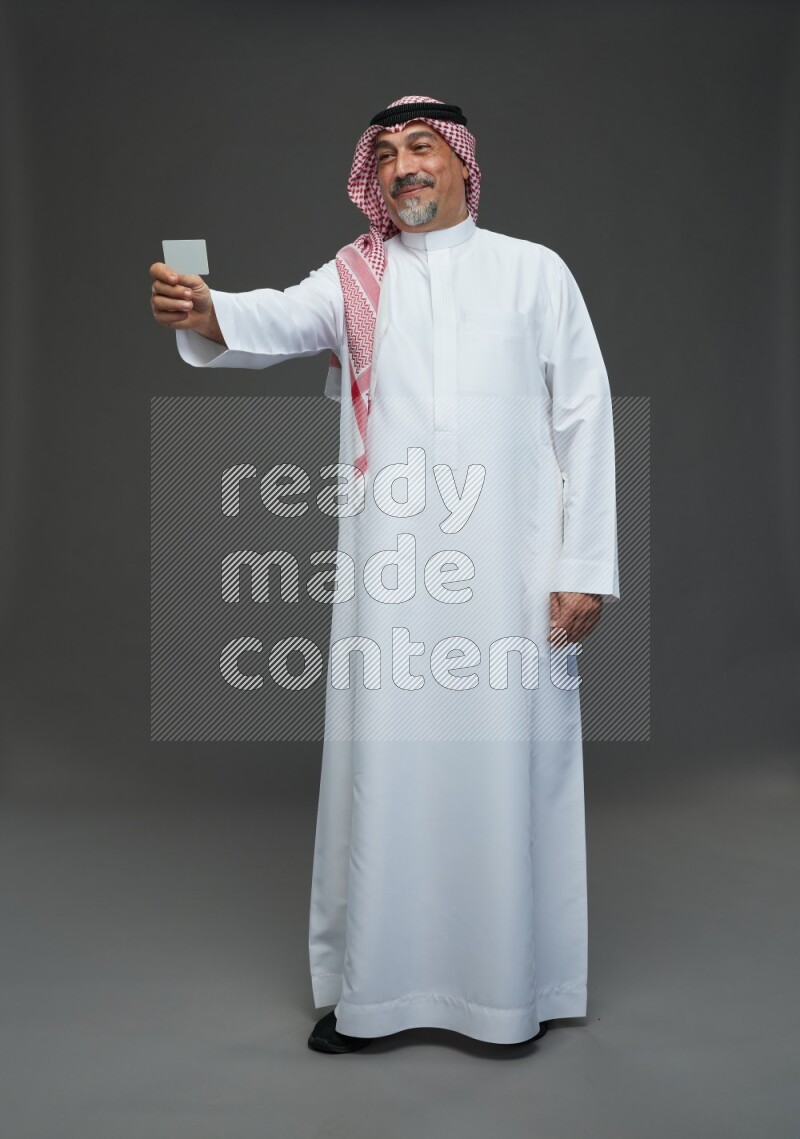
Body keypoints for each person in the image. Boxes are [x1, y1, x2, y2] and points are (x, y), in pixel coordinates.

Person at [149, 95, 619, 1054]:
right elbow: (276, 317)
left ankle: (508, 994)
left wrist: (585, 568)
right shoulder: (358, 276)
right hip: (395, 576)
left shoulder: (535, 271)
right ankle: (378, 994)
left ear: (461, 164)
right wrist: (208, 309)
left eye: (422, 147)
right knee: (388, 768)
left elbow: (586, 416)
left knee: (508, 765)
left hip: (514, 571)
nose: (405, 167)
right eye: (389, 155)